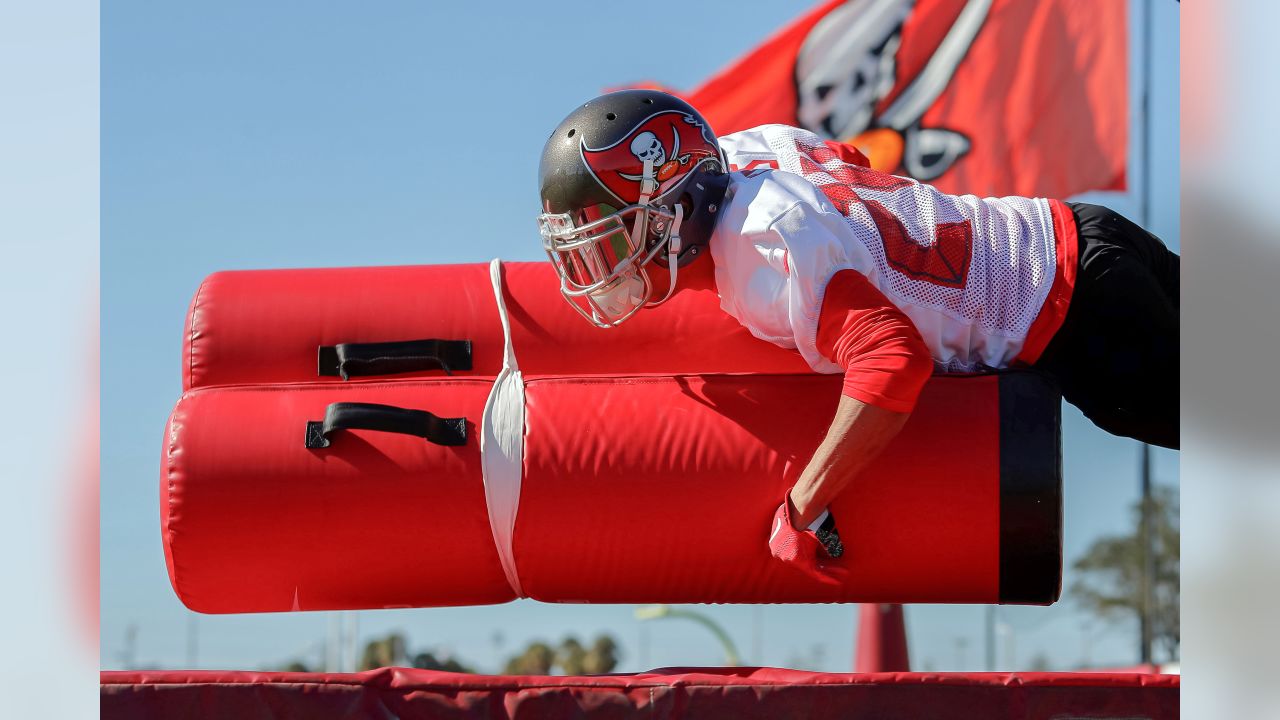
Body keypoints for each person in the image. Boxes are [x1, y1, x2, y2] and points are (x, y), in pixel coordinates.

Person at [536, 90, 1179, 582]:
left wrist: (803, 501)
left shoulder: (765, 253)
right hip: (1070, 226)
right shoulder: (743, 153)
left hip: (1077, 312)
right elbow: (848, 164)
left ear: (677, 216)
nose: (602, 267)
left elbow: (892, 362)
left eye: (614, 236)